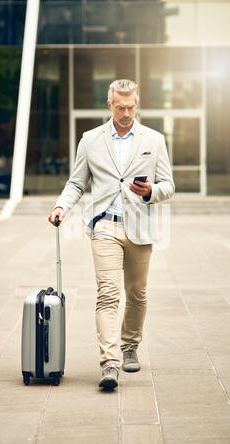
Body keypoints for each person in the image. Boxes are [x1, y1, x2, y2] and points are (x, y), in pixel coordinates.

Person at [48, 79, 175, 390]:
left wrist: (150, 192)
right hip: (105, 225)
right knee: (108, 294)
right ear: (110, 105)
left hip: (140, 228)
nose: (127, 113)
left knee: (137, 294)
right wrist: (61, 207)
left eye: (131, 106)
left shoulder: (154, 140)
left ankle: (130, 345)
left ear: (137, 103)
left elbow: (168, 185)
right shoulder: (90, 140)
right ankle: (110, 362)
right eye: (121, 107)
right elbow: (76, 183)